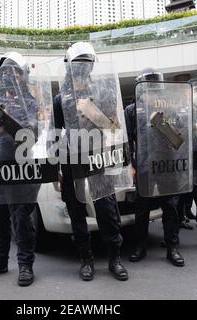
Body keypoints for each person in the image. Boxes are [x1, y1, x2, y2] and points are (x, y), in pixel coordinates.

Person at [49, 43, 129, 280]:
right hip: (72, 160)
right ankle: (86, 259)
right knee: (76, 210)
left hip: (99, 156)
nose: (82, 69)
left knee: (106, 208)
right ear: (69, 67)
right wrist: (55, 168)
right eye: (78, 64)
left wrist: (91, 110)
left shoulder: (103, 91)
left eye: (86, 64)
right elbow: (54, 133)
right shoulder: (60, 98)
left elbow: (113, 125)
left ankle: (114, 258)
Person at [0, 52, 42, 286]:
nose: (8, 75)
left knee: (22, 219)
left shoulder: (30, 103)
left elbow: (35, 131)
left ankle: (25, 265)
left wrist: (17, 125)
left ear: (23, 75)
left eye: (13, 71)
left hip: (19, 168)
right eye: (4, 72)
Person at [125, 68, 185, 267]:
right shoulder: (132, 111)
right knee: (142, 208)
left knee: (171, 207)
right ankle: (140, 246)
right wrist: (130, 166)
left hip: (168, 164)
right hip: (144, 166)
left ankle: (172, 247)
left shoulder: (170, 108)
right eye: (150, 90)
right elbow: (127, 142)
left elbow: (180, 136)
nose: (153, 93)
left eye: (156, 90)